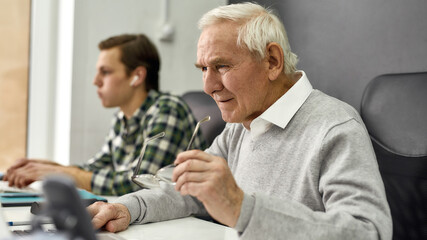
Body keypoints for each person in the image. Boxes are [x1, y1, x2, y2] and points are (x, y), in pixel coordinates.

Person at [87, 3, 392, 239]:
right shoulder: (239, 126)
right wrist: (125, 208)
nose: (208, 86)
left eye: (221, 66)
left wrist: (242, 209)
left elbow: (368, 232)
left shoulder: (335, 128)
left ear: (272, 61)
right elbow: (186, 188)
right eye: (203, 69)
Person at [3, 34, 207, 196]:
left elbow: (139, 183)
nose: (95, 81)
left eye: (106, 72)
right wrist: (46, 167)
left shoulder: (168, 109)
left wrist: (63, 173)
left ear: (137, 76)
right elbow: (94, 169)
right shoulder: (122, 117)